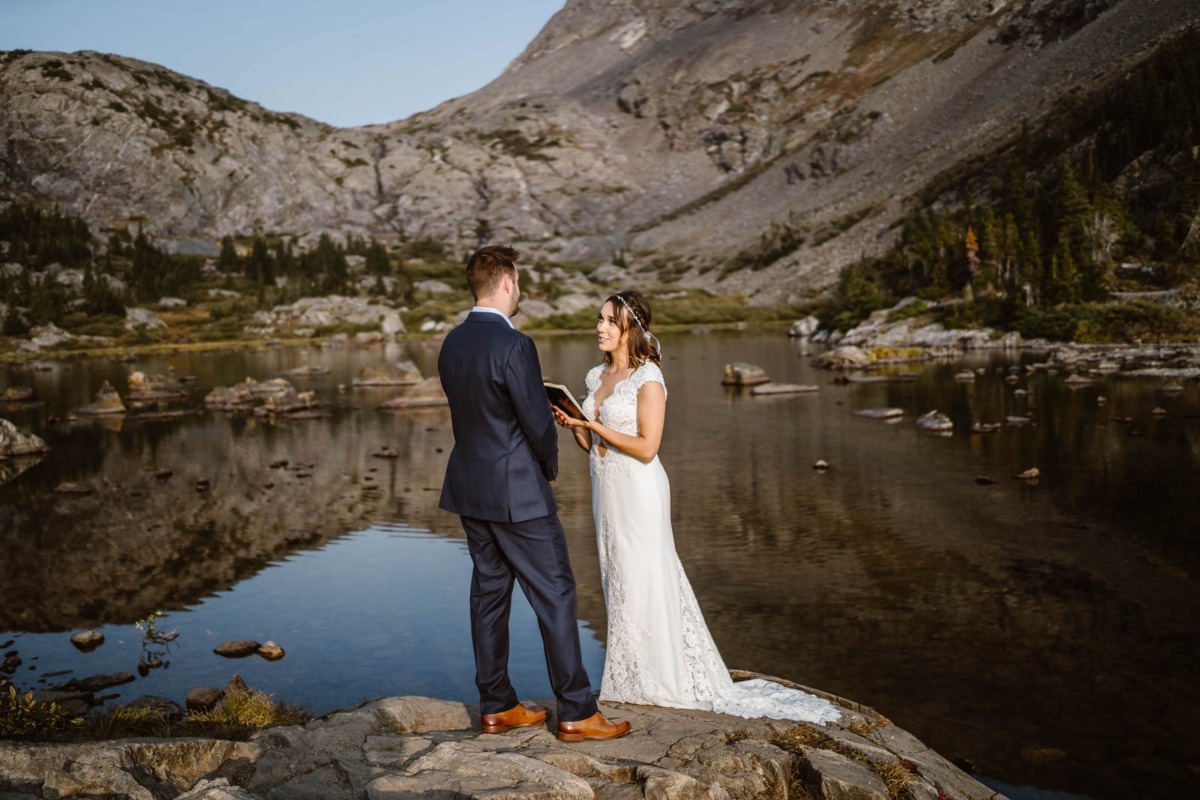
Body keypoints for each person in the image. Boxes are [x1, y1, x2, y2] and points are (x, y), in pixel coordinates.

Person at [552, 290, 840, 724]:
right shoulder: (596, 377)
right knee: (618, 576)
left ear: (631, 327)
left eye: (610, 321)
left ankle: (660, 679)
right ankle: (630, 678)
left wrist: (591, 424)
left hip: (640, 490)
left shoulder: (648, 378)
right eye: (599, 319)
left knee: (644, 574)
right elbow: (592, 445)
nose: (600, 327)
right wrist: (573, 424)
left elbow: (648, 448)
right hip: (605, 488)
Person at [438, 244, 630, 742]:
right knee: (556, 593)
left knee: (488, 595)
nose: (520, 291)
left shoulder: (452, 343)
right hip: (517, 493)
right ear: (505, 283)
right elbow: (536, 427)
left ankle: (497, 705)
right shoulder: (514, 346)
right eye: (518, 283)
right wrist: (547, 466)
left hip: (469, 489)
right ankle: (577, 711)